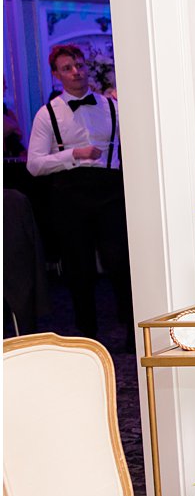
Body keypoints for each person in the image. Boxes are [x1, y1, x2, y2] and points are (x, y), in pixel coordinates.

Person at [25, 43, 132, 339]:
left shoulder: (111, 105)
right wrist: (74, 155)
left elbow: (132, 147)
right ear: (56, 75)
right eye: (67, 68)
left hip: (110, 190)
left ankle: (131, 329)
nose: (76, 72)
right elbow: (34, 165)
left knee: (120, 261)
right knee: (78, 267)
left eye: (80, 65)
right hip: (69, 193)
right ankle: (87, 333)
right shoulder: (47, 114)